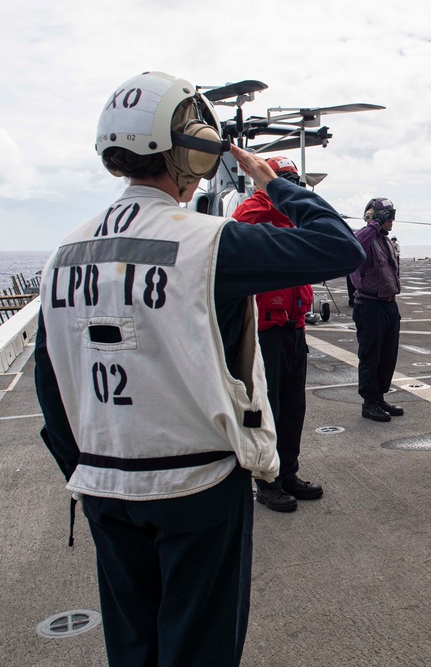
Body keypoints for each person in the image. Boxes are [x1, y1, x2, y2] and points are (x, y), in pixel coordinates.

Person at [34, 71, 364, 666]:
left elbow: (51, 384)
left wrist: (85, 471)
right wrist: (278, 184)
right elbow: (340, 248)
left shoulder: (64, 255)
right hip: (196, 486)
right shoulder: (211, 244)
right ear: (187, 148)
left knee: (133, 647)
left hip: (105, 486)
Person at [231, 155, 323, 513]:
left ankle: (288, 472)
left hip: (294, 326)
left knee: (293, 406)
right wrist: (271, 191)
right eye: (283, 178)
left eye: (293, 180)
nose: (291, 186)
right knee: (267, 407)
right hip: (265, 330)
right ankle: (266, 480)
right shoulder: (252, 213)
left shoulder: (291, 217)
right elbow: (242, 227)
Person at [350, 197, 404, 422]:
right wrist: (373, 223)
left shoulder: (385, 240)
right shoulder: (363, 237)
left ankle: (380, 396)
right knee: (370, 355)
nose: (391, 220)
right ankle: (369, 402)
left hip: (389, 304)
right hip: (370, 305)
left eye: (392, 215)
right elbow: (354, 246)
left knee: (388, 355)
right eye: (387, 216)